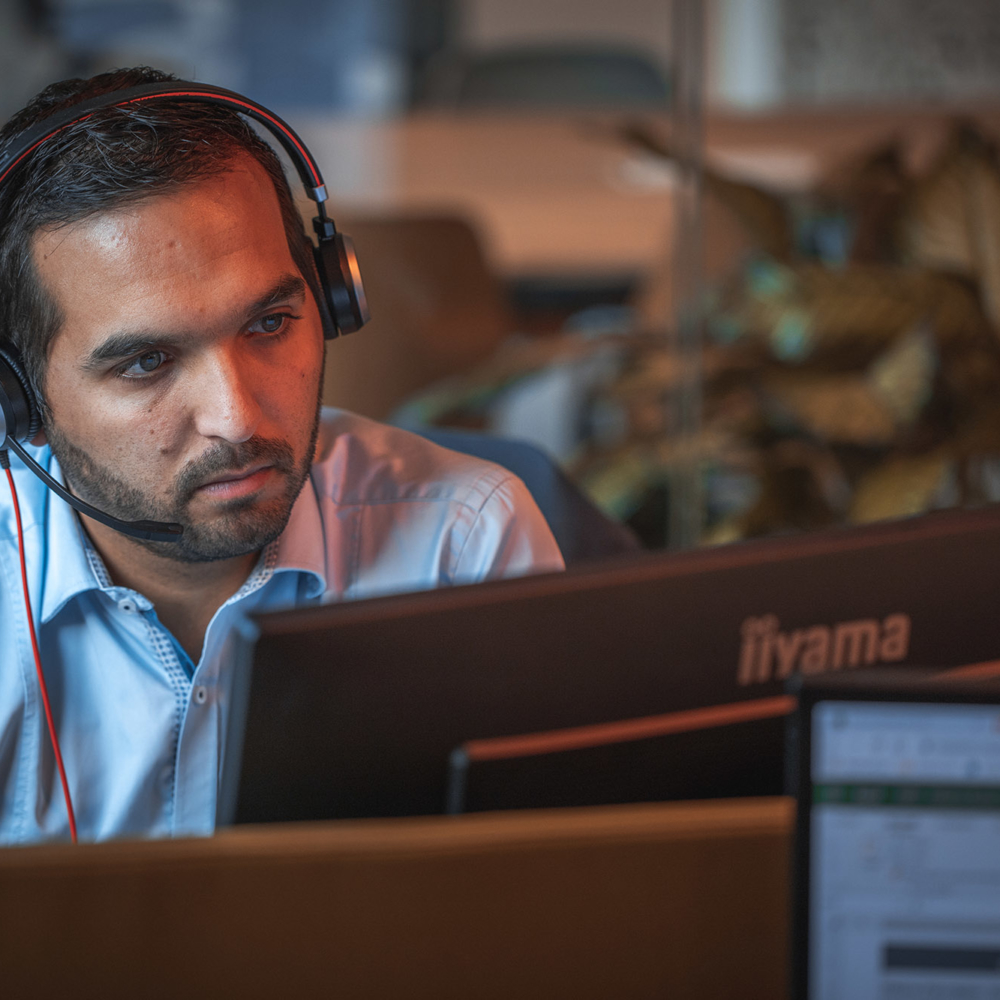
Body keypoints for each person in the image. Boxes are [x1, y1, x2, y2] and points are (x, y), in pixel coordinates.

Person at [0, 67, 563, 844]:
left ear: (329, 299)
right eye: (146, 364)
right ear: (18, 399)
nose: (236, 418)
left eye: (268, 323)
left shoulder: (461, 547)